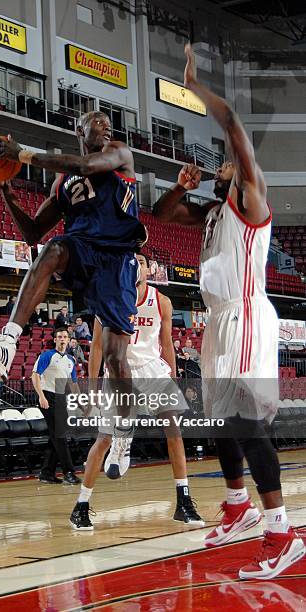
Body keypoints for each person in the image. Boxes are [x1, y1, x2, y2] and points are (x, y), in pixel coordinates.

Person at [152, 43, 305, 579]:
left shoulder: (250, 200)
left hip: (244, 316)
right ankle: (238, 506)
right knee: (220, 419)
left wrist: (195, 87)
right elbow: (163, 214)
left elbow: (235, 122)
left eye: (227, 162)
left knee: (245, 421)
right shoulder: (215, 212)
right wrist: (179, 187)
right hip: (218, 323)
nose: (221, 164)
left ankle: (282, 533)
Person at [0, 110, 147, 440]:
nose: (107, 127)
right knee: (52, 249)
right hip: (82, 252)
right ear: (79, 129)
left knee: (114, 360)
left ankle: (124, 430)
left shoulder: (120, 153)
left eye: (109, 123)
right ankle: (8, 341)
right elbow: (33, 233)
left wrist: (22, 154)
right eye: (98, 123)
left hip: (116, 260)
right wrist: (7, 195)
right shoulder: (62, 183)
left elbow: (84, 166)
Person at [70, 253, 204, 530]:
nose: (135, 265)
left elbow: (166, 344)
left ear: (149, 269)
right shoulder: (108, 298)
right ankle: (81, 505)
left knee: (174, 431)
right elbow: (96, 347)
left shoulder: (161, 301)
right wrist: (93, 387)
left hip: (152, 368)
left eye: (141, 261)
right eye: (130, 260)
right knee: (103, 440)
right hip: (120, 370)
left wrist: (174, 377)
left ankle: (184, 501)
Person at [32, 328, 82, 485]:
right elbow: (35, 375)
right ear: (55, 340)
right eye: (59, 337)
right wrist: (41, 396)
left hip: (61, 398)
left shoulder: (70, 360)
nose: (62, 339)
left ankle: (47, 472)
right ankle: (69, 472)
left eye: (65, 337)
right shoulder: (47, 355)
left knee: (56, 437)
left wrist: (81, 402)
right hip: (47, 396)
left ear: (68, 340)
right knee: (59, 436)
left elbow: (73, 384)